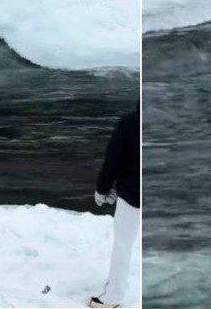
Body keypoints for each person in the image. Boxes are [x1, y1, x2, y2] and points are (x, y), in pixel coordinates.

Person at [88, 106, 140, 309]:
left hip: (133, 194)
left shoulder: (128, 123)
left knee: (123, 245)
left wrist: (102, 189)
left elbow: (113, 161)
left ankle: (114, 296)